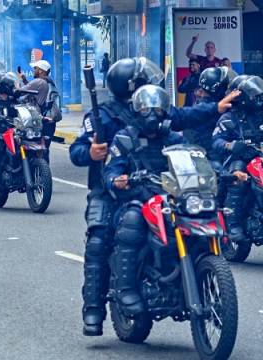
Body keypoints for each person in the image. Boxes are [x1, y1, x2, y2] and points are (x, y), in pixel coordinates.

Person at [69, 56, 239, 337]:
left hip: (156, 189)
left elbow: (185, 121)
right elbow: (79, 151)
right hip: (110, 189)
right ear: (130, 87)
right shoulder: (105, 117)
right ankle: (95, 310)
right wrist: (90, 153)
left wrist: (215, 114)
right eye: (142, 80)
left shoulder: (157, 112)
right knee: (100, 241)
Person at [104, 85, 185, 315]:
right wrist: (116, 180)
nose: (152, 114)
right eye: (146, 109)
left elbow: (194, 159)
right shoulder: (124, 139)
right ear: (136, 110)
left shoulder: (174, 138)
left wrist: (218, 171)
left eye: (158, 109)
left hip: (171, 199)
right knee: (132, 220)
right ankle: (126, 288)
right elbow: (111, 170)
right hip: (137, 199)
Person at [213, 75, 263, 244]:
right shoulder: (229, 118)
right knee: (238, 178)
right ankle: (233, 224)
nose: (256, 98)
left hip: (260, 157)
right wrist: (231, 146)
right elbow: (216, 141)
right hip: (239, 159)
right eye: (252, 95)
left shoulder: (260, 115)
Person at [184, 66, 236, 161]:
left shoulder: (200, 107)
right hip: (213, 161)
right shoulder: (215, 111)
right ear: (220, 90)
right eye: (227, 89)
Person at [17, 59, 62, 162]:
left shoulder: (38, 81)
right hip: (50, 120)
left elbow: (21, 92)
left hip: (40, 119)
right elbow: (33, 90)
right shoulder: (49, 82)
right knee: (44, 149)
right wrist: (24, 78)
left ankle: (37, 172)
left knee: (34, 148)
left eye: (35, 68)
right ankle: (43, 173)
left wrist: (19, 80)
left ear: (41, 71)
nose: (33, 70)